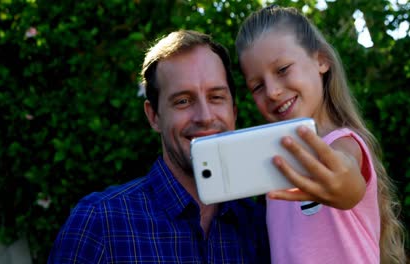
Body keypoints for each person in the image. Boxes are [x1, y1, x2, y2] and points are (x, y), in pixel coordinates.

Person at [48, 30, 270, 263]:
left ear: (233, 112)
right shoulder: (98, 223)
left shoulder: (258, 225)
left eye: (216, 97)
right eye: (183, 101)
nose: (204, 117)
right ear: (153, 116)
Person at [235, 5, 405, 264]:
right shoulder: (275, 164)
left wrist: (343, 184)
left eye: (282, 70)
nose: (271, 92)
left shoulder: (344, 143)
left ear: (321, 60)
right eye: (257, 86)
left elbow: (348, 179)